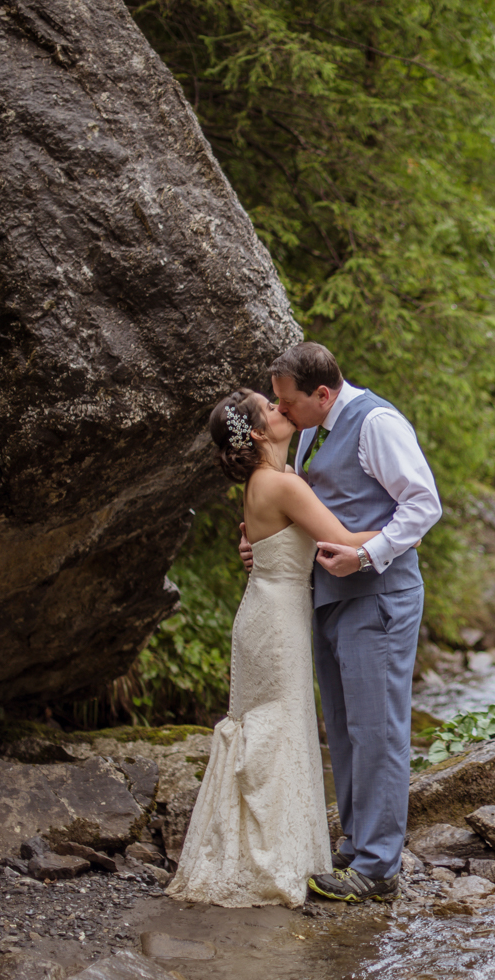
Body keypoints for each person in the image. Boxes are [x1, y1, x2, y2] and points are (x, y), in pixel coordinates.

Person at [241, 342, 442, 903]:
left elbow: (424, 505)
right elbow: (311, 509)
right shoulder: (309, 427)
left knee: (378, 730)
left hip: (378, 596)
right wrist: (266, 544)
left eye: (287, 403)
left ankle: (379, 869)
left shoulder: (376, 422)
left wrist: (369, 554)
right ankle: (356, 847)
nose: (281, 413)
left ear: (322, 393)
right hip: (328, 597)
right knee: (348, 728)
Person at [168, 387, 377, 908]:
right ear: (259, 433)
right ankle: (271, 859)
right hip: (276, 622)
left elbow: (272, 544)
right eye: (273, 408)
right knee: (278, 730)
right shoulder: (281, 484)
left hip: (266, 614)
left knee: (274, 729)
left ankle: (263, 850)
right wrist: (407, 532)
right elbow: (342, 540)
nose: (284, 409)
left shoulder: (276, 480)